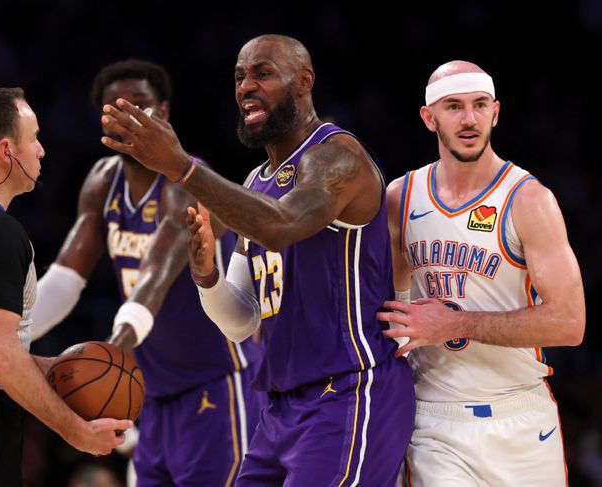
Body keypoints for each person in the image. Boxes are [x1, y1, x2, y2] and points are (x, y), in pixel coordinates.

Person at [100, 34, 416, 486]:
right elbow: (242, 321)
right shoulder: (256, 182)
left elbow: (281, 225)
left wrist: (180, 167)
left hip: (348, 392)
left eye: (263, 73)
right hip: (280, 407)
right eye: (239, 77)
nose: (246, 86)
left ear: (303, 81)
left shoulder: (337, 156)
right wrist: (207, 276)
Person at [30, 59, 265, 487]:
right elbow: (65, 278)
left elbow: (153, 278)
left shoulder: (189, 183)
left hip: (215, 383)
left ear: (165, 112)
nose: (129, 116)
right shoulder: (103, 182)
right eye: (115, 107)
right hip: (152, 392)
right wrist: (12, 336)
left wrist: (111, 351)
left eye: (140, 105)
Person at [379, 60, 586, 486]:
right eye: (454, 106)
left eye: (479, 105)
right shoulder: (401, 198)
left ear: (495, 112)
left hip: (522, 416)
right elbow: (392, 305)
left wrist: (455, 324)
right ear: (429, 117)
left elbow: (569, 322)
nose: (469, 119)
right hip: (436, 421)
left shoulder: (528, 199)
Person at [0, 87, 131, 487]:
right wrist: (78, 432)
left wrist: (48, 368)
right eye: (33, 138)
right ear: (6, 150)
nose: (41, 150)